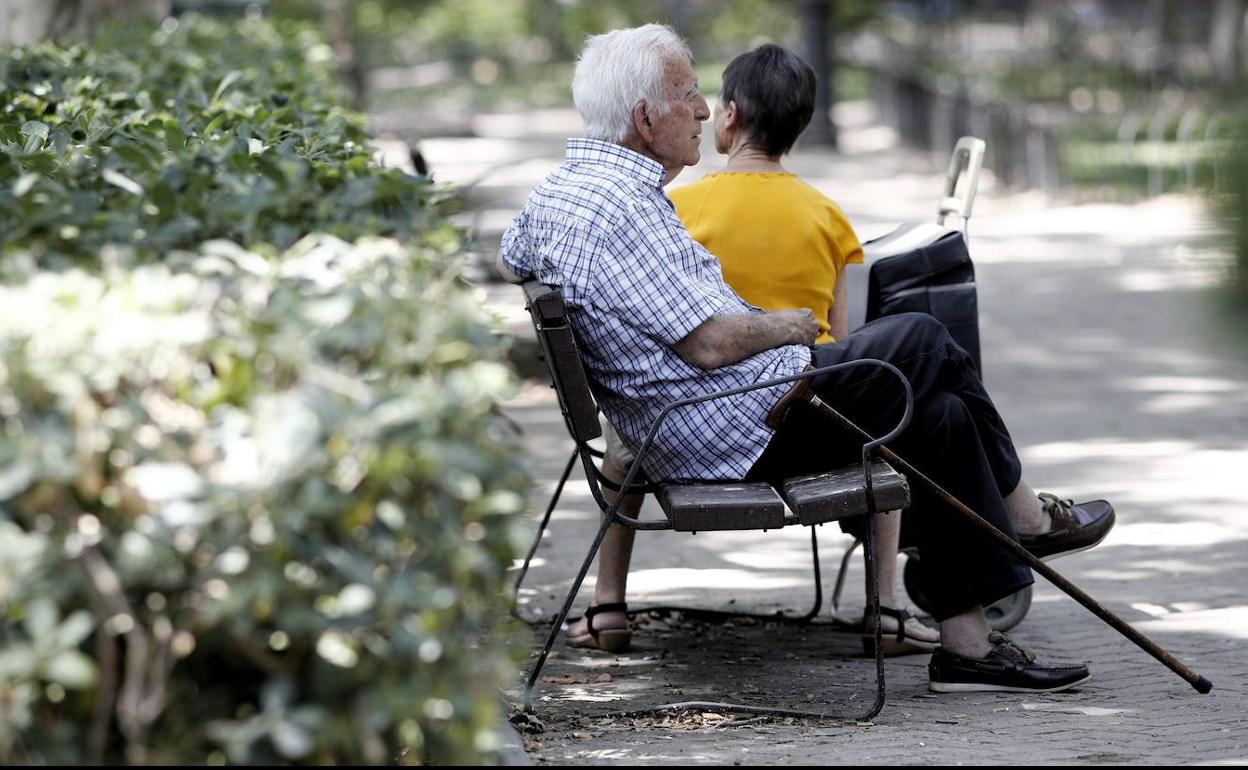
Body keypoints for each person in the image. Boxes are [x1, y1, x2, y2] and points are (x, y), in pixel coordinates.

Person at [499, 24, 1115, 693]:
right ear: (646, 117)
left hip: (719, 414)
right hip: (736, 427)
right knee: (925, 336)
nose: (705, 110)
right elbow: (706, 344)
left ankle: (966, 646)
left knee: (939, 416)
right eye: (688, 95)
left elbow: (511, 256)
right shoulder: (621, 210)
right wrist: (788, 325)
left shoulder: (564, 192)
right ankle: (1026, 518)